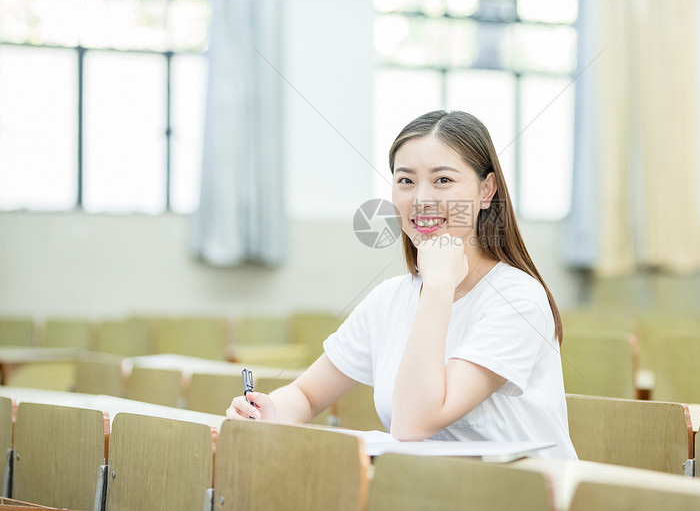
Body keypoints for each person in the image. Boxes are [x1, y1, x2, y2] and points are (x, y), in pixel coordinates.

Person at [227, 110, 576, 459]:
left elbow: (413, 423)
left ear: (487, 190)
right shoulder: (389, 299)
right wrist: (271, 411)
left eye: (442, 180)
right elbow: (306, 395)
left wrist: (439, 287)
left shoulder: (518, 300)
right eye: (405, 181)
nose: (421, 199)